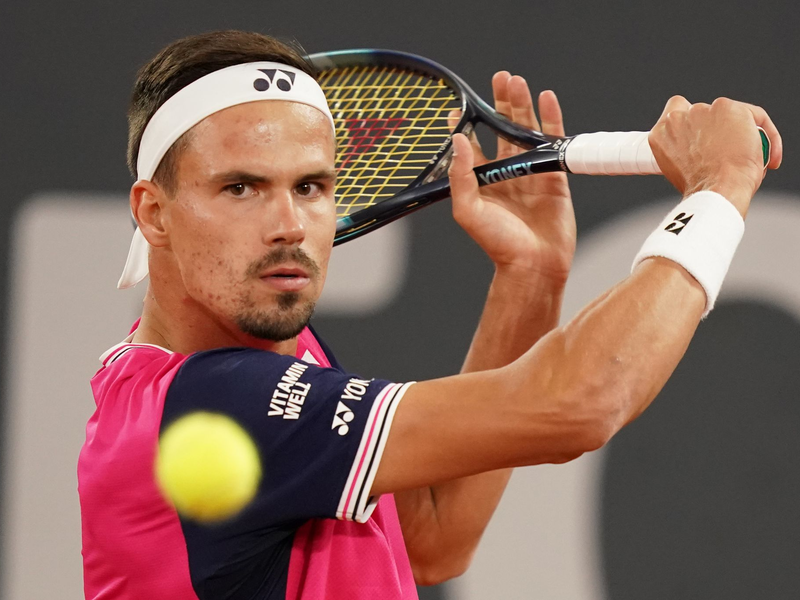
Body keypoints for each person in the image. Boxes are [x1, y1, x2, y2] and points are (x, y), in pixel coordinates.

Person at [78, 29, 782, 600]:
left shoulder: (244, 345)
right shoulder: (219, 402)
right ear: (154, 212)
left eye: (313, 185)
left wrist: (530, 279)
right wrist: (716, 195)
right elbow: (583, 401)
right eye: (241, 188)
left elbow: (433, 538)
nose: (289, 224)